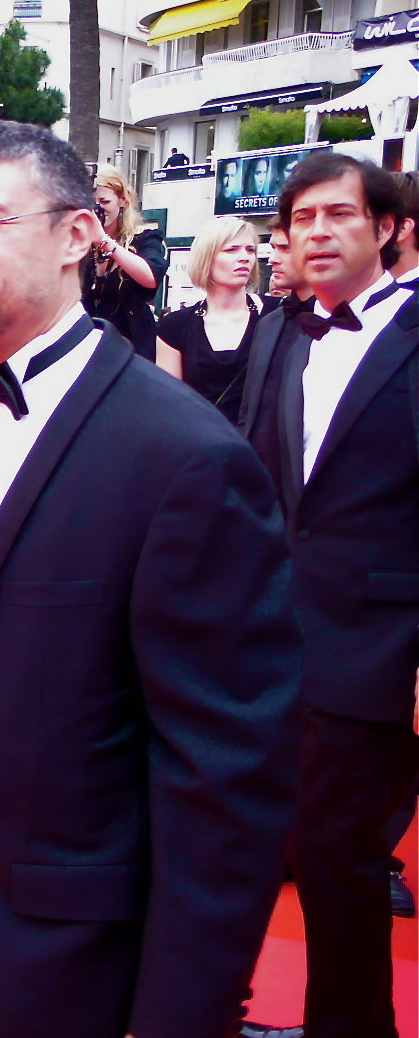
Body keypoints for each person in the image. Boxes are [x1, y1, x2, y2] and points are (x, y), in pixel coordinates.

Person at [0, 120, 300, 1038]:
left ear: (78, 236)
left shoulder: (186, 458)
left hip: (74, 970)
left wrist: (180, 1016)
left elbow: (225, 783)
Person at [236, 151, 419, 1038]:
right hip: (263, 642)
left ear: (387, 229)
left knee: (340, 861)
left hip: (376, 650)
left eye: (336, 216)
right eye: (300, 220)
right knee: (249, 842)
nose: (315, 234)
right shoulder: (278, 330)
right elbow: (249, 472)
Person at [155, 216, 260, 421]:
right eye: (231, 250)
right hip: (200, 443)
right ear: (206, 258)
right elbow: (169, 405)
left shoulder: (273, 316)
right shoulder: (175, 326)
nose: (244, 257)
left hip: (262, 447)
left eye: (250, 250)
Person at [85, 163, 168, 360]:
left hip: (131, 348)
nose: (97, 209)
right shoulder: (78, 242)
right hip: (87, 348)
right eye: (91, 203)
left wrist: (106, 243)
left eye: (104, 202)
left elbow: (151, 277)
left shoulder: (144, 238)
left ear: (122, 200)